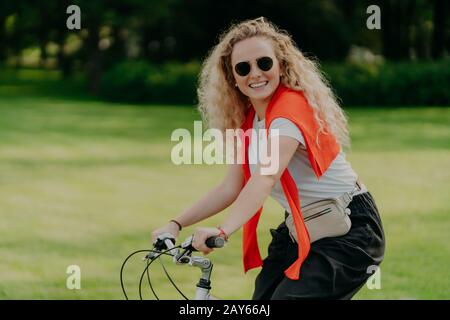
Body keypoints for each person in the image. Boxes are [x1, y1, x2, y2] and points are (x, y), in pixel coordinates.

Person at [151, 17, 385, 300]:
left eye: (264, 63)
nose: (255, 73)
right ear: (232, 77)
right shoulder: (250, 120)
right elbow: (231, 187)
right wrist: (176, 223)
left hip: (349, 227)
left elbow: (265, 177)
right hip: (306, 224)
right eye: (243, 68)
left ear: (281, 65)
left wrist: (224, 230)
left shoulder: (289, 112)